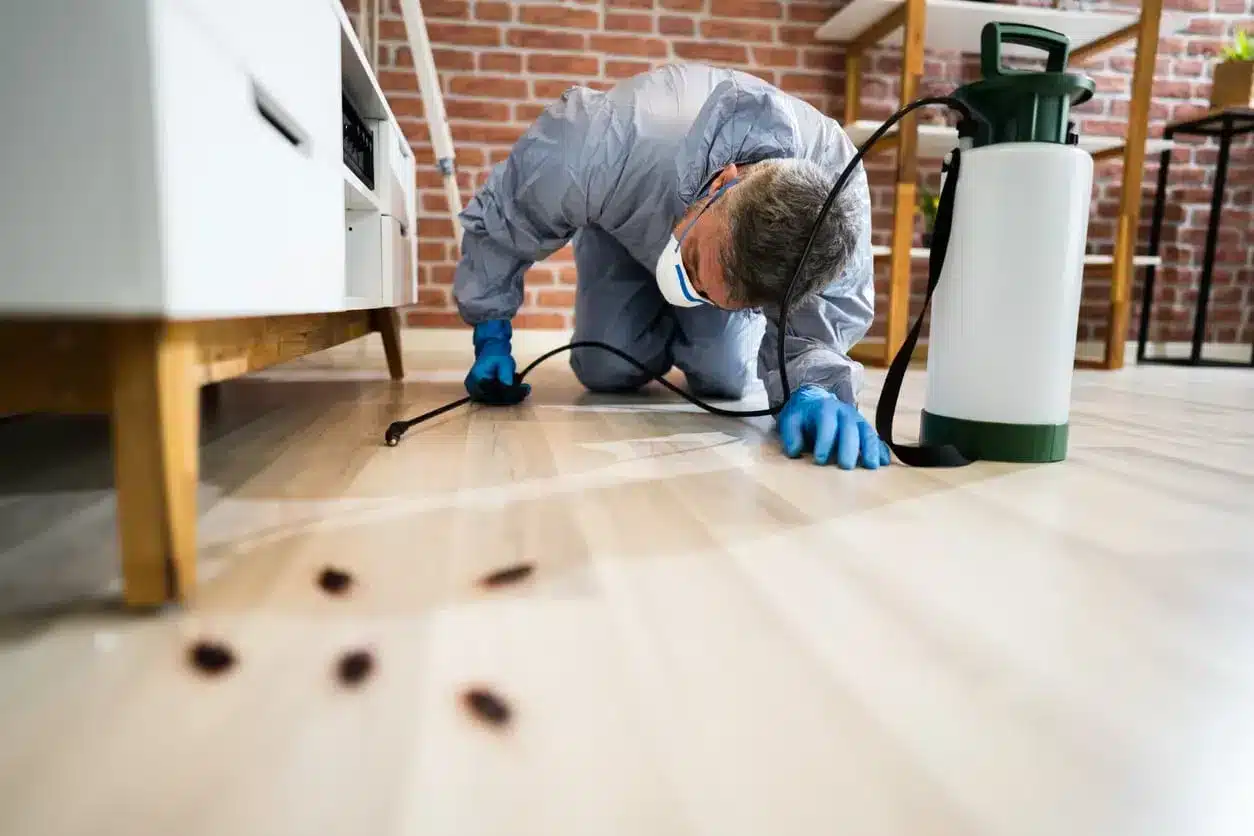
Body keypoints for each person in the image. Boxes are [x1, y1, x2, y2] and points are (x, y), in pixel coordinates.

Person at [451, 63, 889, 471]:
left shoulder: (838, 208)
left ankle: (714, 305)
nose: (689, 286)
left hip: (717, 262)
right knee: (605, 370)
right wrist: (491, 330)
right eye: (696, 262)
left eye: (715, 294)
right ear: (722, 182)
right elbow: (509, 216)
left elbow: (818, 325)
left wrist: (813, 387)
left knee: (728, 379)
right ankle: (668, 311)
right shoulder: (608, 141)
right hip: (621, 232)